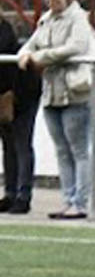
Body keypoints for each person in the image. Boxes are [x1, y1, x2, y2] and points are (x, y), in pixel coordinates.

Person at [17, 0, 92, 220]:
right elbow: (29, 46)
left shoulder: (78, 18)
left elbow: (76, 47)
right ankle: (68, 200)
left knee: (79, 151)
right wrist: (28, 55)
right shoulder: (45, 21)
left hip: (74, 94)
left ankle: (80, 203)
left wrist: (42, 57)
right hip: (51, 94)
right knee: (62, 150)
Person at [0, 12, 41, 214]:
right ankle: (10, 193)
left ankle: (23, 195)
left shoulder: (5, 31)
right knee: (8, 145)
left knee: (22, 143)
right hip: (5, 96)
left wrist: (12, 98)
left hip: (23, 93)